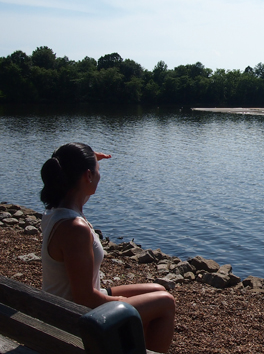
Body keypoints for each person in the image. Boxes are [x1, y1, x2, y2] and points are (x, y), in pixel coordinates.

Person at [40, 142, 175, 353]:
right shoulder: (74, 229)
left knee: (157, 290)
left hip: (62, 307)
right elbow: (84, 299)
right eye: (97, 171)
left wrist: (89, 159)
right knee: (165, 302)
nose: (100, 175)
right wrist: (122, 302)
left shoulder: (55, 210)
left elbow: (64, 163)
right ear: (88, 176)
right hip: (73, 319)